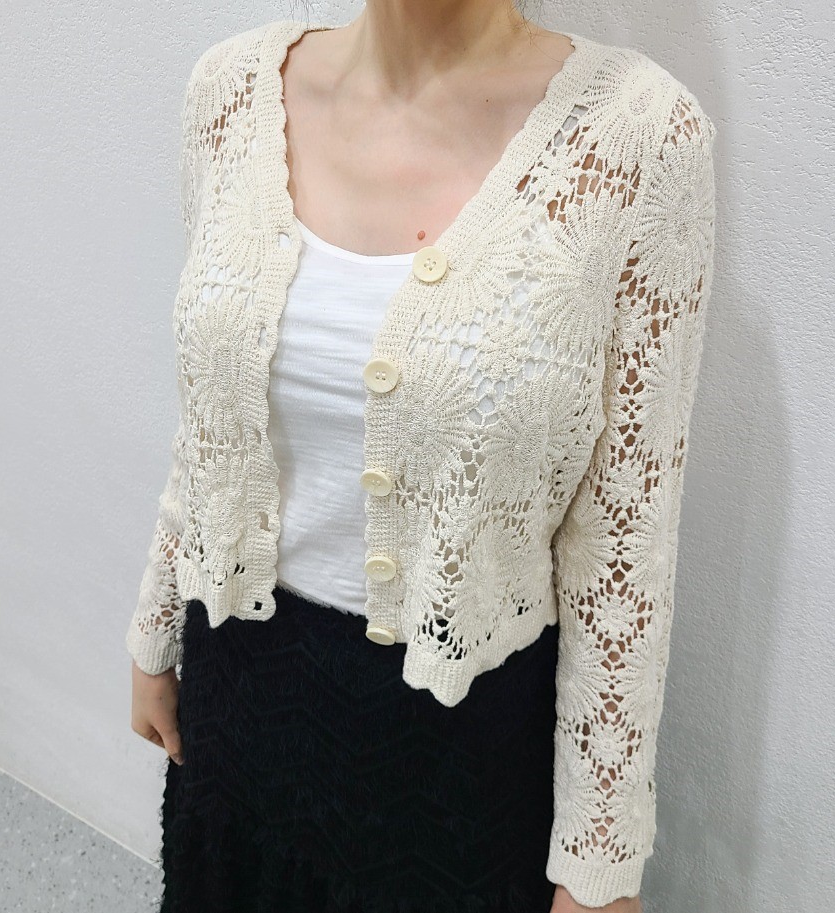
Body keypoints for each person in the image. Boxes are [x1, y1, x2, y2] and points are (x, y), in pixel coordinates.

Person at [127, 2, 718, 912]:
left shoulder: (637, 136)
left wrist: (599, 855)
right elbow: (213, 423)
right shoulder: (231, 92)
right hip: (236, 706)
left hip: (457, 766)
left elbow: (625, 540)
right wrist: (156, 626)